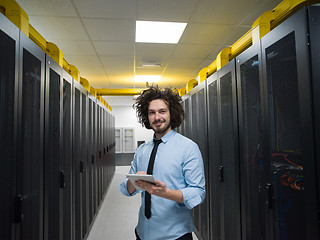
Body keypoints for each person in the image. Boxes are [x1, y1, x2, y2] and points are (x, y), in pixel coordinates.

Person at [119, 85, 206, 240]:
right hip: (142, 232)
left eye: (162, 111)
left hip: (174, 235)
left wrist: (167, 193)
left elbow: (198, 192)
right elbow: (127, 189)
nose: (157, 117)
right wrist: (134, 182)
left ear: (172, 114)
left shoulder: (188, 148)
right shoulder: (142, 150)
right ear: (147, 117)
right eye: (152, 113)